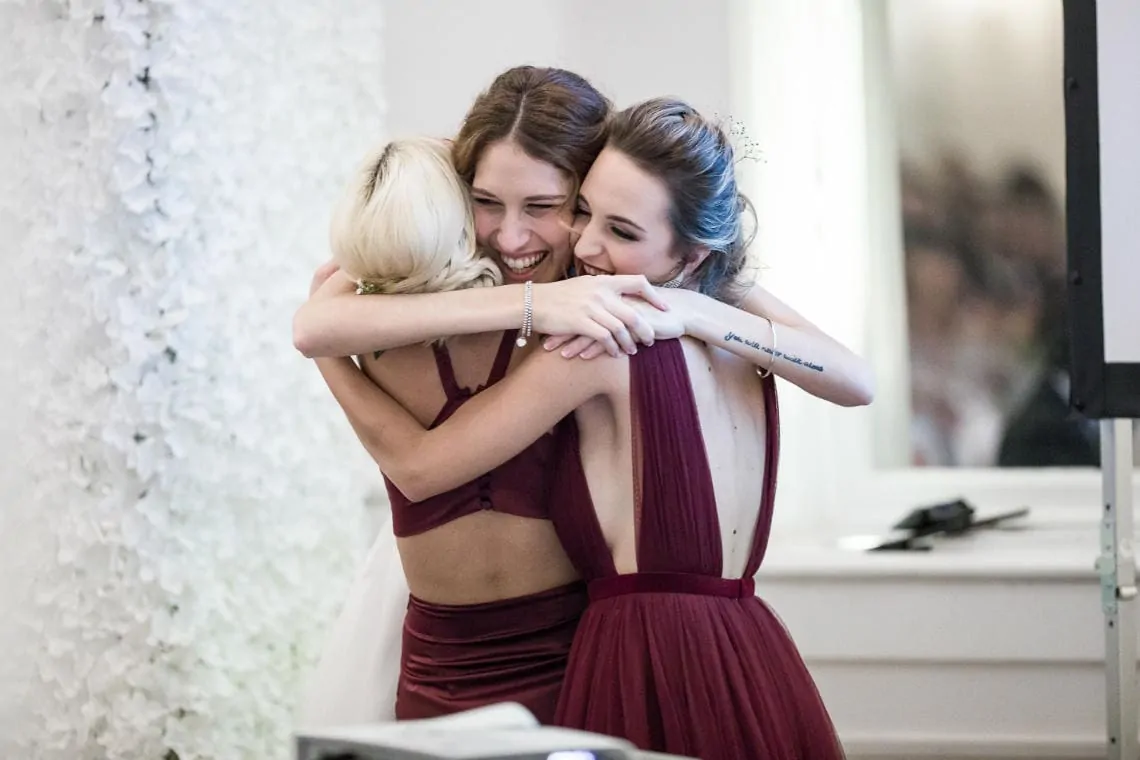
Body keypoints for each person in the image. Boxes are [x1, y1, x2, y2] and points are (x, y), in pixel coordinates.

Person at [306, 98, 869, 758]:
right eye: (587, 213)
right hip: (745, 654)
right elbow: (854, 380)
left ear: (689, 254)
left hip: (635, 657)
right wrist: (647, 304)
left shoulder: (604, 338)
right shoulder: (732, 337)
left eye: (555, 210)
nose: (586, 242)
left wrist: (684, 310)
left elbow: (421, 466)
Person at [297, 66, 647, 727]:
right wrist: (533, 301)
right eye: (487, 202)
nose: (511, 238)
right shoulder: (422, 292)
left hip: (568, 653)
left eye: (543, 208)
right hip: (432, 654)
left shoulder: (599, 314)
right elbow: (316, 315)